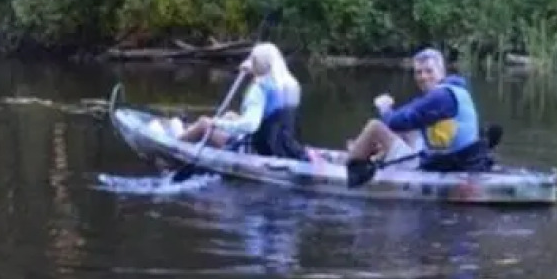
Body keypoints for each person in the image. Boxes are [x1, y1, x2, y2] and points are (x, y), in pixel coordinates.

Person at [344, 47, 493, 172]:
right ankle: (369, 152)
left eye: (429, 71)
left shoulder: (440, 96)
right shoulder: (455, 90)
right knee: (408, 131)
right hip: (457, 161)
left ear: (441, 72)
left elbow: (395, 121)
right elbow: (406, 119)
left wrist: (385, 108)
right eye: (418, 72)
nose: (423, 77)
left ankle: (346, 168)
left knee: (375, 127)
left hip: (449, 166)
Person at [170, 42, 310, 160]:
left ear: (258, 65)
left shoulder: (259, 89)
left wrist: (216, 123)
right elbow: (274, 118)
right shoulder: (292, 85)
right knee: (230, 115)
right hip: (288, 146)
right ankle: (196, 136)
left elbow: (250, 126)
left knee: (204, 123)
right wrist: (253, 68)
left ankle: (177, 141)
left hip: (258, 150)